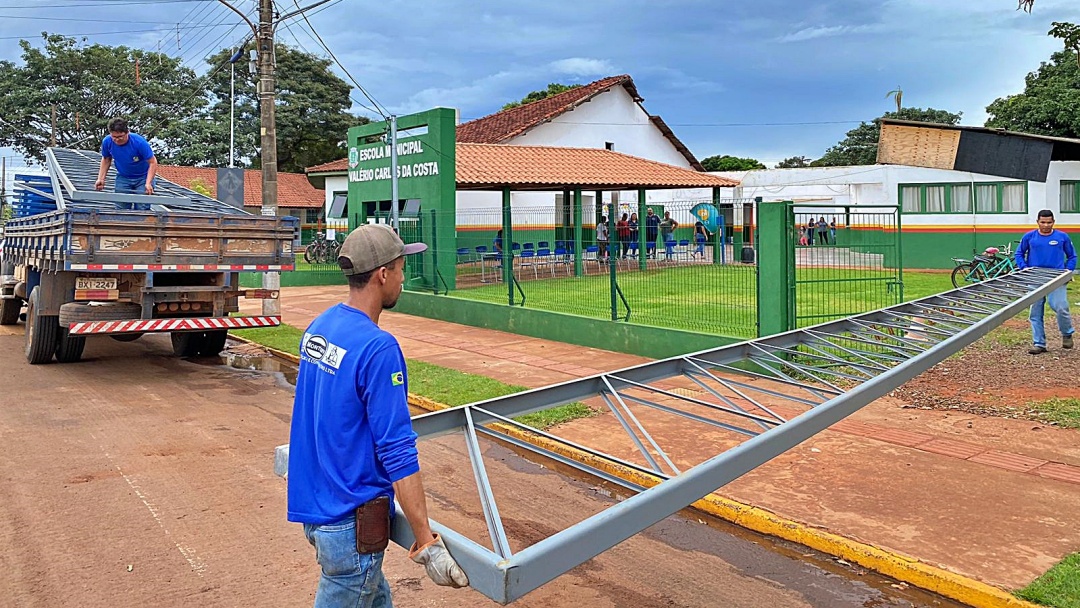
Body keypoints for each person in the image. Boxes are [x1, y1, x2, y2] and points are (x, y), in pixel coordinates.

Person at [288, 224, 469, 606]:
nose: (404, 279)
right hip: (349, 528)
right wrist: (426, 541)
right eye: (402, 269)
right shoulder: (378, 348)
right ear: (383, 274)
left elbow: (318, 417)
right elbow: (397, 449)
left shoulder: (321, 327)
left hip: (319, 514)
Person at [1016, 209, 1076, 355]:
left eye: (1049, 222)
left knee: (1060, 307)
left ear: (1053, 222)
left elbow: (1072, 256)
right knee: (1035, 312)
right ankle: (1039, 343)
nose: (1046, 225)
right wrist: (1024, 268)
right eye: (1043, 222)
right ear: (1038, 222)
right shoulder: (1029, 237)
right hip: (1035, 277)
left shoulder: (1062, 237)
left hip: (1056, 278)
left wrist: (1067, 271)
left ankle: (1067, 333)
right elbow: (1019, 253)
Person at [94, 118, 158, 199]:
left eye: (120, 136)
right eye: (114, 137)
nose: (117, 140)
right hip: (123, 176)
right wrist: (101, 179)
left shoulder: (139, 142)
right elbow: (106, 159)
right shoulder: (107, 142)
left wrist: (148, 183)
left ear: (127, 132)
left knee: (142, 204)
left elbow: (153, 162)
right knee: (121, 203)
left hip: (143, 177)